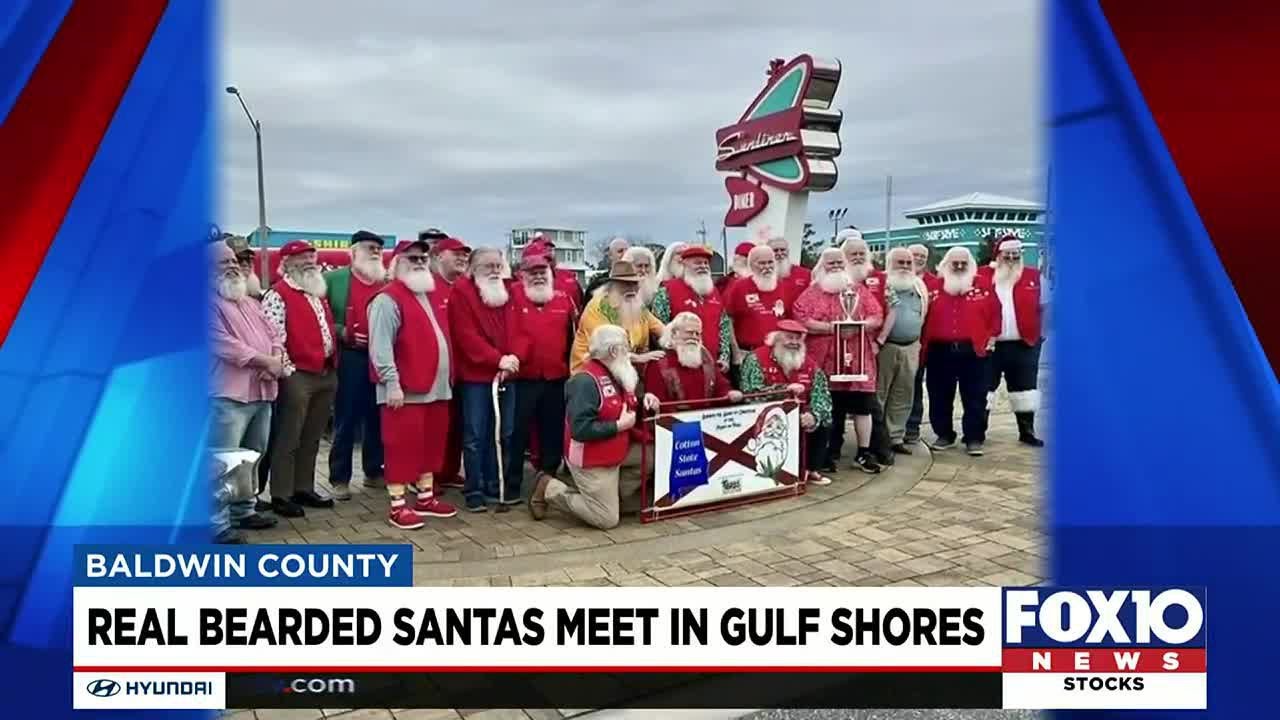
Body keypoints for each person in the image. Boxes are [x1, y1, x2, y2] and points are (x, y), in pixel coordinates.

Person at [368, 239, 459, 529]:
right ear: (395, 264)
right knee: (401, 446)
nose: (420, 262)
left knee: (430, 444)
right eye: (412, 258)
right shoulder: (387, 299)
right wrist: (391, 382)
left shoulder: (429, 295)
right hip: (404, 390)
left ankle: (425, 497)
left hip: (436, 387)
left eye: (422, 258)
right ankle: (397, 506)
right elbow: (380, 347)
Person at [528, 325, 641, 529]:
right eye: (626, 346)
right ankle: (550, 488)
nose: (630, 351)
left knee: (651, 455)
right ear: (614, 351)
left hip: (617, 450)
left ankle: (609, 497)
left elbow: (628, 402)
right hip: (592, 458)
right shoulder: (584, 382)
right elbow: (580, 430)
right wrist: (618, 426)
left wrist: (647, 399)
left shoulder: (619, 372)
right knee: (607, 519)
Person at [260, 241, 338, 517]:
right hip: (297, 374)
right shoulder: (278, 294)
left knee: (313, 435)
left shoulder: (317, 292)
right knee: (288, 435)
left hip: (325, 371)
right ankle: (281, 493)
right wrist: (287, 369)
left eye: (311, 256)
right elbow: (273, 337)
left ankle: (304, 486)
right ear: (287, 263)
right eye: (301, 257)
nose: (308, 261)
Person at [210, 242, 280, 541]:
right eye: (222, 262)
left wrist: (274, 358)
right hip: (229, 395)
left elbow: (273, 332)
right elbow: (223, 343)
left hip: (262, 392)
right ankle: (216, 523)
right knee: (223, 461)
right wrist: (264, 361)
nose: (232, 266)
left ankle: (243, 511)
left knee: (252, 456)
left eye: (233, 261)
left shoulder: (250, 302)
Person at [792, 248, 884, 474]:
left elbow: (877, 316)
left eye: (839, 263)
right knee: (829, 407)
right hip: (825, 360)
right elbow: (801, 318)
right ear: (822, 266)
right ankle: (826, 454)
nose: (835, 267)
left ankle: (863, 453)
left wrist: (859, 326)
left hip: (857, 360)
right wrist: (830, 328)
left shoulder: (858, 291)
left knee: (863, 406)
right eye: (830, 263)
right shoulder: (812, 293)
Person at [449, 247, 520, 512]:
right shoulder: (461, 292)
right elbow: (465, 335)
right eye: (487, 265)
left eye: (497, 265)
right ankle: (474, 488)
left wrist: (512, 359)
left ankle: (495, 484)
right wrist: (495, 359)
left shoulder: (509, 290)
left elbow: (518, 329)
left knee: (504, 432)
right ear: (474, 267)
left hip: (507, 373)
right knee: (476, 434)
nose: (494, 270)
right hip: (477, 377)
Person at [508, 247, 576, 507]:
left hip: (555, 378)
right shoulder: (511, 297)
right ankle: (512, 485)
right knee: (516, 433)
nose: (538, 276)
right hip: (522, 379)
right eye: (532, 272)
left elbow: (573, 337)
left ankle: (547, 481)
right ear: (521, 274)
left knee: (552, 432)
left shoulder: (563, 299)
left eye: (543, 271)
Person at [323, 230, 388, 500]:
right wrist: (342, 332)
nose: (375, 252)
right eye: (370, 247)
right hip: (349, 357)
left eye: (378, 249)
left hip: (380, 357)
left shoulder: (386, 282)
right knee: (346, 418)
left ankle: (374, 471)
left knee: (377, 417)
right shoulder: (333, 280)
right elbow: (319, 317)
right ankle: (339, 478)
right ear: (354, 252)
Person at [921, 247, 1001, 456]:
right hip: (939, 351)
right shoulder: (932, 288)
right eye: (954, 263)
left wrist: (992, 337)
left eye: (963, 263)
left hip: (974, 351)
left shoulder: (983, 286)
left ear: (970, 265)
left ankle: (974, 438)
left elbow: (996, 314)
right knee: (939, 395)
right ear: (946, 264)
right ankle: (944, 434)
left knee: (975, 395)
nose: (958, 267)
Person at [739, 320, 834, 485]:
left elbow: (823, 395)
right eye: (789, 337)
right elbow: (750, 392)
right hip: (766, 417)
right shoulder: (756, 359)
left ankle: (812, 469)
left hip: (800, 416)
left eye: (798, 339)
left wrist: (814, 415)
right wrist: (784, 390)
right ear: (776, 339)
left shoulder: (809, 364)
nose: (794, 343)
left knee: (825, 419)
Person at [981, 236, 1047, 446]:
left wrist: (1041, 335)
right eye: (1006, 254)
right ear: (997, 255)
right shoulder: (983, 275)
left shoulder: (1035, 277)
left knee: (1025, 389)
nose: (1011, 258)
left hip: (1025, 344)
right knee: (983, 388)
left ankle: (1027, 431)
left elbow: (1048, 307)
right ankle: (977, 431)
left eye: (1015, 254)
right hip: (990, 345)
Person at [427, 234, 471, 489]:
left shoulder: (464, 286)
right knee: (434, 426)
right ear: (438, 256)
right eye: (456, 253)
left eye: (465, 254)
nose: (462, 257)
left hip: (462, 370)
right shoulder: (428, 286)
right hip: (436, 369)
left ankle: (449, 470)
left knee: (455, 425)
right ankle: (425, 476)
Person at [876, 247, 929, 455]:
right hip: (885, 347)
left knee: (903, 394)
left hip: (911, 347)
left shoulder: (919, 286)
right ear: (890, 264)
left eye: (908, 263)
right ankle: (877, 439)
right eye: (901, 262)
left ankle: (895, 437)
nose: (905, 267)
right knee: (880, 394)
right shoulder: (882, 285)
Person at [570, 260, 664, 373]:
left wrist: (680, 337)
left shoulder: (637, 305)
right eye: (625, 283)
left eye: (635, 283)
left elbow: (660, 328)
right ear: (612, 286)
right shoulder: (598, 307)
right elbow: (605, 349)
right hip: (591, 374)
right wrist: (638, 358)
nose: (632, 288)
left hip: (624, 370)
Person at [651, 245, 732, 371]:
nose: (703, 266)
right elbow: (659, 328)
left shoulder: (714, 292)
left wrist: (724, 356)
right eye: (697, 263)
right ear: (684, 265)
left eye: (706, 263)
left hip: (713, 367)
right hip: (680, 365)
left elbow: (724, 326)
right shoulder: (667, 290)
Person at [643, 312, 741, 406]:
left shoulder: (706, 359)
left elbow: (720, 386)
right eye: (689, 332)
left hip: (707, 418)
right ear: (673, 334)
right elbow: (658, 404)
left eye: (697, 333)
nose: (694, 337)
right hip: (677, 421)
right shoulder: (658, 364)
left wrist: (729, 393)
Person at [725, 245, 791, 354]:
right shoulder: (739, 287)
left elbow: (787, 318)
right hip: (748, 352)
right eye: (762, 263)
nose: (767, 266)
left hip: (776, 351)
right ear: (751, 265)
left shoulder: (782, 286)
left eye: (770, 262)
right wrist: (735, 351)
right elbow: (728, 321)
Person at [527, 232, 584, 310]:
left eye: (550, 249)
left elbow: (579, 308)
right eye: (542, 249)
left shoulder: (569, 280)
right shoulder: (521, 284)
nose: (548, 252)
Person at [767, 233, 811, 300]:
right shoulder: (763, 275)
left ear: (788, 251)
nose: (779, 253)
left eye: (782, 250)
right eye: (775, 250)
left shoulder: (805, 274)